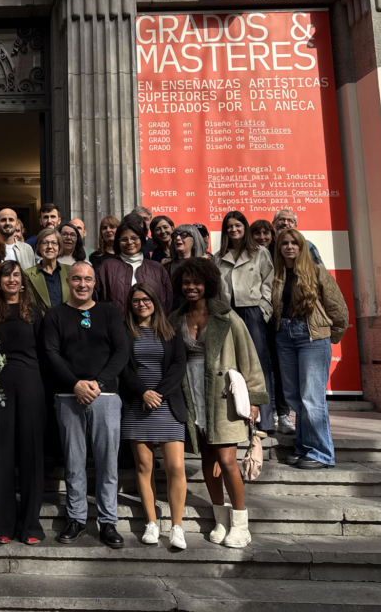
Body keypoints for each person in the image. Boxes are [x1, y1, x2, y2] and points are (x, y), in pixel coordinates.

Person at [168, 258, 267, 549]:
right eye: (186, 282)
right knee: (208, 458)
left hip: (223, 394)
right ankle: (220, 518)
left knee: (226, 460)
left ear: (208, 284)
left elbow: (249, 357)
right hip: (192, 391)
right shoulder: (175, 318)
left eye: (197, 282)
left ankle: (240, 523)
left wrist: (256, 400)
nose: (191, 287)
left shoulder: (227, 316)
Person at [43, 261, 129, 548]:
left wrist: (99, 384)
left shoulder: (109, 312)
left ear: (95, 283)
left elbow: (121, 351)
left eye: (88, 279)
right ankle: (77, 518)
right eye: (77, 279)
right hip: (69, 397)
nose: (82, 284)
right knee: (74, 461)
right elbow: (51, 353)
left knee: (107, 463)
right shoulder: (55, 315)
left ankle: (108, 522)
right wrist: (75, 385)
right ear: (68, 281)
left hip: (105, 397)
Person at [0, 260, 45, 544]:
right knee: (2, 454)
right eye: (6, 276)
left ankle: (30, 525)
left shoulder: (34, 312)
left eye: (17, 275)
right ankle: (3, 525)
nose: (12, 280)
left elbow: (44, 350)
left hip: (31, 383)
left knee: (31, 454)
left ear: (23, 280)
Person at [272, 229, 349, 470]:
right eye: (284, 243)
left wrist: (326, 337)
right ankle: (304, 447)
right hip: (284, 337)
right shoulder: (277, 275)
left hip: (311, 337)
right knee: (295, 396)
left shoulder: (317, 272)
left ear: (302, 247)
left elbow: (339, 311)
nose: (289, 247)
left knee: (311, 397)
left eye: (295, 243)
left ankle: (321, 452)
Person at [120, 284, 188, 550]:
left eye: (146, 299)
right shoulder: (126, 332)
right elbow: (123, 368)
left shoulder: (170, 331)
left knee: (176, 468)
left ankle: (177, 526)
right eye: (136, 300)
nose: (141, 304)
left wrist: (157, 393)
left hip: (167, 405)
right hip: (138, 407)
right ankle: (151, 522)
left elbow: (178, 366)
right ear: (130, 304)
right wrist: (142, 392)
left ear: (155, 302)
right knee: (144, 468)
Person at [215, 210, 277, 433]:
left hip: (252, 312)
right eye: (229, 226)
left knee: (259, 364)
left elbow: (269, 284)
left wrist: (263, 310)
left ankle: (265, 419)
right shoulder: (218, 256)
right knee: (232, 364)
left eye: (238, 225)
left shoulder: (260, 253)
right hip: (228, 313)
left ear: (245, 227)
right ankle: (239, 416)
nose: (233, 229)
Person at [251, 218, 292, 434]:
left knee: (278, 366)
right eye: (257, 233)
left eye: (266, 233)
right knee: (261, 367)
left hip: (278, 318)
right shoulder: (250, 255)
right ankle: (265, 412)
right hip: (258, 318)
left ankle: (282, 414)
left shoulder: (279, 256)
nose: (262, 237)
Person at [95, 214, 172, 317]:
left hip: (153, 328)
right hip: (117, 328)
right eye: (124, 239)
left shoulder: (157, 268)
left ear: (141, 240)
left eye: (134, 238)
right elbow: (96, 298)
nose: (129, 242)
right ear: (118, 242)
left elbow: (168, 300)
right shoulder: (106, 267)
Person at [23, 227, 70, 315]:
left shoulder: (70, 271)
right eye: (45, 243)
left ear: (59, 247)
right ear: (38, 247)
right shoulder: (28, 274)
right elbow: (32, 305)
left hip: (68, 322)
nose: (49, 247)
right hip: (43, 324)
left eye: (54, 243)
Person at [163, 224, 207, 292]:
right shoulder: (166, 267)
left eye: (183, 235)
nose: (178, 238)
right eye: (175, 235)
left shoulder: (204, 265)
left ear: (194, 240)